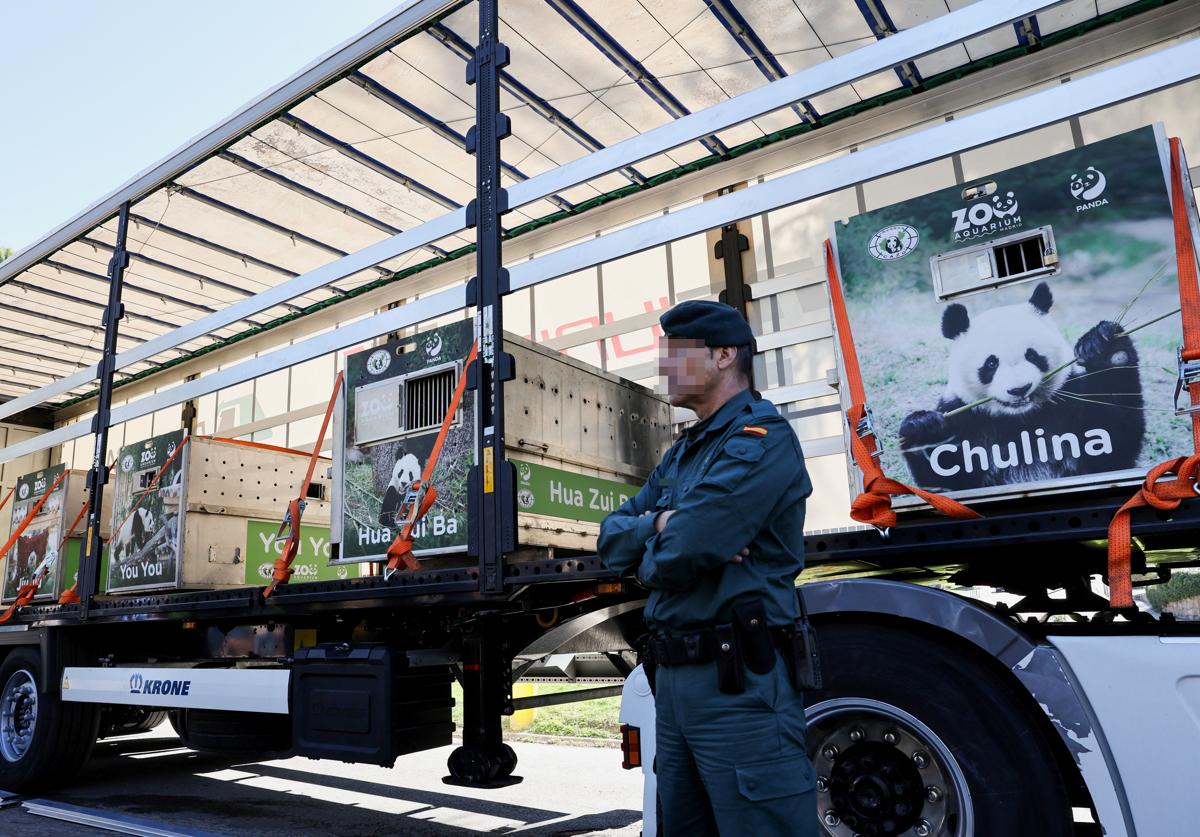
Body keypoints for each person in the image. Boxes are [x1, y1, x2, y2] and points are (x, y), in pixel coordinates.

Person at [598, 299, 817, 836]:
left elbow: (684, 552)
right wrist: (660, 524)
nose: (662, 367)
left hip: (736, 686)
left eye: (675, 353)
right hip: (673, 685)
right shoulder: (684, 453)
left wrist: (663, 539)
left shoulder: (762, 441)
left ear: (723, 355)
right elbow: (609, 538)